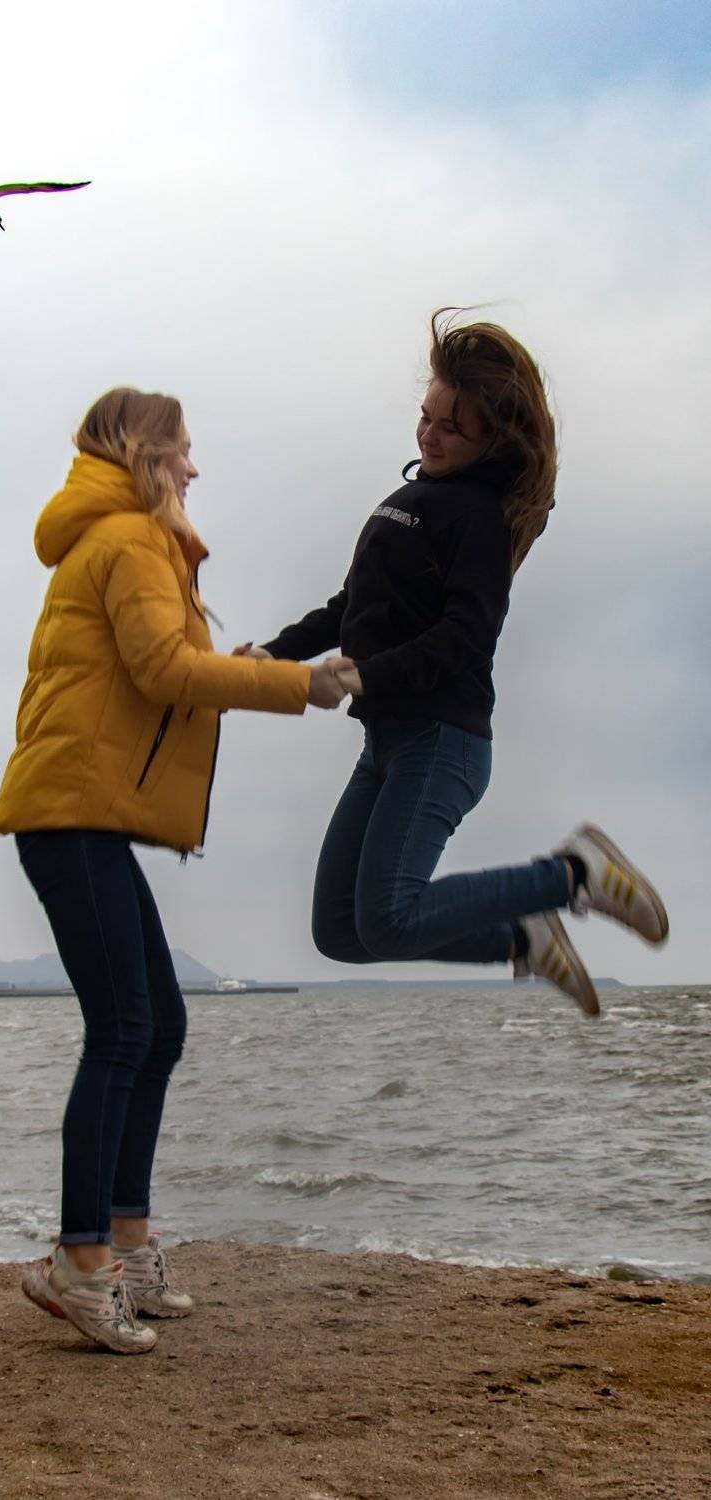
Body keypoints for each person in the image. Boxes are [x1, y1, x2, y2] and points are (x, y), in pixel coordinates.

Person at [0, 387, 350, 1354]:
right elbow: (164, 672)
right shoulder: (127, 539)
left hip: (85, 817)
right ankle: (80, 1265)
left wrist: (251, 665)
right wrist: (297, 684)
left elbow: (168, 666)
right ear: (146, 452)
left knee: (160, 1024)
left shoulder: (131, 541)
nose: (194, 466)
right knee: (123, 1030)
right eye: (184, 449)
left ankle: (126, 1243)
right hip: (68, 814)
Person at [236, 310, 668, 1015]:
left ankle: (574, 873)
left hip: (442, 741)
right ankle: (522, 938)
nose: (429, 435)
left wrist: (365, 674)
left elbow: (466, 636)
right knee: (340, 930)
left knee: (389, 916)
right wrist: (271, 656)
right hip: (386, 743)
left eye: (451, 428)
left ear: (491, 440)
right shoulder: (407, 500)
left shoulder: (481, 521)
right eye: (426, 417)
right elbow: (349, 607)